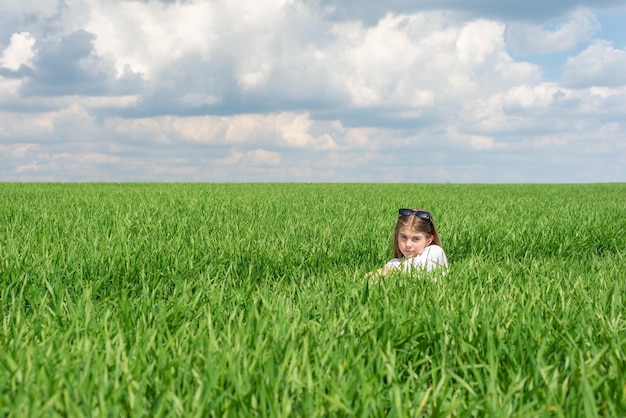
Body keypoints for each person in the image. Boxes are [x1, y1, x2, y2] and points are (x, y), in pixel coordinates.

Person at [367, 208, 448, 277]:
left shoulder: (435, 251)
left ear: (429, 240)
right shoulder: (394, 262)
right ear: (397, 236)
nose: (408, 244)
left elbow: (416, 267)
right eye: (404, 237)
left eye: (416, 239)